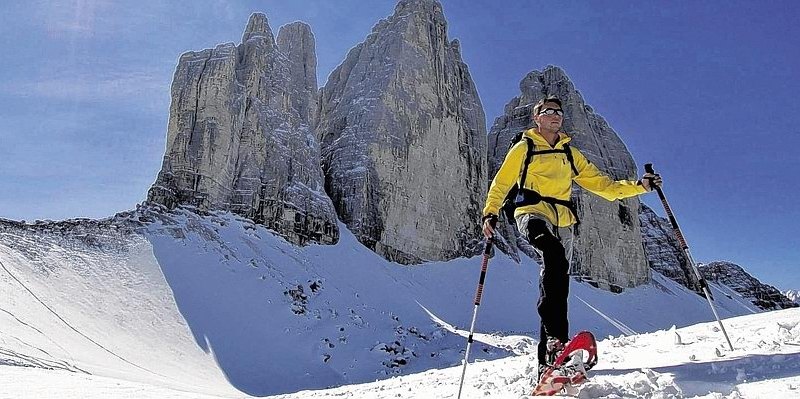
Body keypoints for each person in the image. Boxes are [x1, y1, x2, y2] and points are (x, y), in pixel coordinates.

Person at [480, 96, 662, 381]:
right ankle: (555, 340)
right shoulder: (524, 147)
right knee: (552, 254)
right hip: (531, 211)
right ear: (536, 117)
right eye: (548, 111)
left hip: (563, 220)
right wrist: (490, 213)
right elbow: (502, 182)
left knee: (556, 280)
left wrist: (639, 187)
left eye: (559, 113)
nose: (555, 116)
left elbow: (604, 186)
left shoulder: (569, 153)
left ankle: (551, 359)